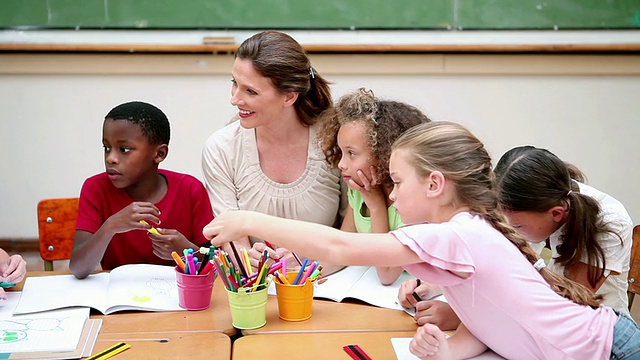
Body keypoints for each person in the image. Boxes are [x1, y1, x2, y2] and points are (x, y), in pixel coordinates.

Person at [203, 121, 640, 359]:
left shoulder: (458, 236)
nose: (391, 195)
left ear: (434, 184)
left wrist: (248, 219)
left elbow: (340, 249)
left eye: (395, 182)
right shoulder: (470, 232)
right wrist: (447, 351)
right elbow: (487, 318)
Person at [201, 30, 345, 275]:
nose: (235, 100)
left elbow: (354, 232)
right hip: (258, 289)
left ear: (289, 96)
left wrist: (311, 259)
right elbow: (231, 240)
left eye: (251, 91)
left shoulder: (336, 142)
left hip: (328, 286)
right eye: (234, 83)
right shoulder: (221, 148)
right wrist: (248, 260)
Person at [70, 101, 214, 279]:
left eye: (124, 149)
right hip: (118, 298)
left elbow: (215, 266)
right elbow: (78, 268)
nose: (111, 158)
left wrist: (187, 251)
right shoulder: (96, 188)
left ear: (159, 154)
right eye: (107, 148)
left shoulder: (190, 189)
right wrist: (110, 227)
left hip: (177, 298)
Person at [494, 145, 634, 315]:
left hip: (598, 329)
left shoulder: (611, 221)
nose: (511, 232)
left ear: (556, 214)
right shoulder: (530, 208)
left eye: (517, 226)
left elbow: (567, 304)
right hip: (537, 317)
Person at [317, 88, 430, 285]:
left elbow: (387, 274)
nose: (342, 164)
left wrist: (377, 207)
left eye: (351, 153)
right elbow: (343, 249)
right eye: (342, 152)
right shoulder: (360, 189)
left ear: (384, 153)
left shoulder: (414, 199)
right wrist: (303, 271)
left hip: (412, 294)